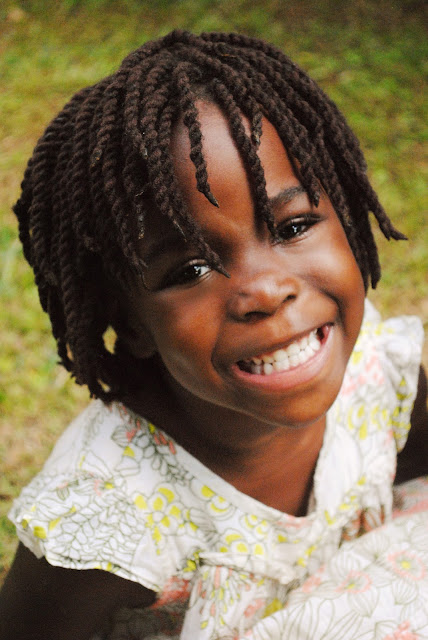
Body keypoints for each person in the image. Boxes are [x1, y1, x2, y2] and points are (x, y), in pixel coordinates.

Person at [0, 29, 427, 640]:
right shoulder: (108, 514)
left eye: (293, 226)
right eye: (191, 269)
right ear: (132, 324)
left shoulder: (373, 369)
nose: (266, 291)